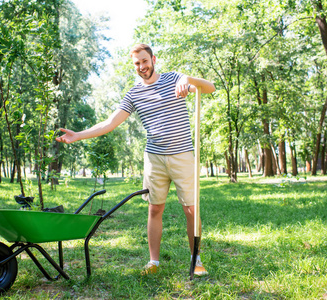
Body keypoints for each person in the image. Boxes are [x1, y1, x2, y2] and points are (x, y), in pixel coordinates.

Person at [56, 43, 215, 276]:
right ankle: (153, 262)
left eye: (144, 61)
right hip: (154, 158)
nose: (142, 66)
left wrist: (187, 78)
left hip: (182, 154)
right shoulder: (134, 94)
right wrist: (78, 135)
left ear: (153, 59)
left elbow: (209, 88)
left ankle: (196, 259)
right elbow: (110, 123)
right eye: (137, 63)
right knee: (154, 209)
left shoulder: (174, 79)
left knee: (191, 209)